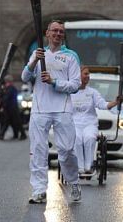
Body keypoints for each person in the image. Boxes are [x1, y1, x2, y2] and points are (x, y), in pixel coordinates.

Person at [22, 19, 81, 204]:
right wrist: (33, 62)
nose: (57, 34)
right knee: (38, 150)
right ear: (47, 33)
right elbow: (25, 77)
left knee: (67, 150)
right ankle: (39, 190)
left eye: (61, 32)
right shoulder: (38, 53)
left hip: (62, 109)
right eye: (54, 31)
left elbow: (76, 85)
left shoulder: (71, 56)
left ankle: (74, 182)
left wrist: (55, 82)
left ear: (63, 35)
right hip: (40, 109)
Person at [71, 65, 123, 175]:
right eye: (85, 74)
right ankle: (79, 167)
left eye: (88, 74)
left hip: (90, 124)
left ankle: (88, 166)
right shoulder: (70, 92)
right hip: (74, 123)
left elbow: (102, 104)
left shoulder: (92, 92)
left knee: (89, 138)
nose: (88, 76)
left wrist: (115, 102)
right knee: (77, 138)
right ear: (77, 75)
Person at [0, 74, 27, 140]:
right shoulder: (9, 88)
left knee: (16, 122)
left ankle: (22, 134)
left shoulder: (11, 88)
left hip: (12, 108)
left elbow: (6, 98)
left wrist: (1, 104)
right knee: (8, 122)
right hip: (10, 108)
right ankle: (5, 135)